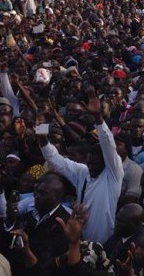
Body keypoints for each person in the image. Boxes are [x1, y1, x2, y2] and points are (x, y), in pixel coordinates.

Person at [39, 88, 124, 243]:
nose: (91, 167)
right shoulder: (83, 172)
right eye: (89, 163)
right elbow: (54, 159)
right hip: (78, 240)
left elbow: (108, 145)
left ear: (106, 163)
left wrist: (98, 116)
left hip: (102, 243)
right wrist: (41, 129)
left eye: (95, 164)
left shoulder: (113, 175)